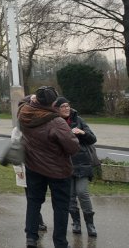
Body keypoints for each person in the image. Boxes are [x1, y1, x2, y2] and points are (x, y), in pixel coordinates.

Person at [18, 86, 79, 248]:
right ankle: (60, 242)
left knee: (33, 201)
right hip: (58, 170)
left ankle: (31, 237)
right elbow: (73, 147)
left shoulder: (24, 113)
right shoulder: (56, 121)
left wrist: (31, 98)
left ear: (36, 100)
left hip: (33, 166)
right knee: (60, 206)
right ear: (53, 103)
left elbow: (22, 102)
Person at [54, 97, 98, 237]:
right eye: (63, 106)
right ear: (57, 109)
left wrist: (82, 133)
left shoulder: (78, 120)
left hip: (82, 163)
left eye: (67, 106)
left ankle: (90, 224)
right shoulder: (54, 122)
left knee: (82, 192)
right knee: (70, 196)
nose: (66, 108)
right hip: (65, 164)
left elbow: (93, 139)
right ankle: (76, 222)